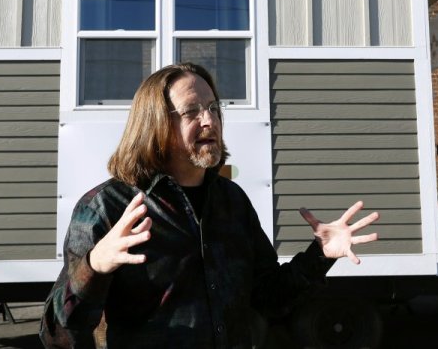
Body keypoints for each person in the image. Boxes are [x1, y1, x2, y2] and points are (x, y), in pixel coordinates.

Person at [40, 63, 379, 348]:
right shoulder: (107, 207)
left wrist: (319, 255)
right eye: (192, 111)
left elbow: (268, 299)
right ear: (154, 123)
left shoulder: (232, 201)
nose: (209, 120)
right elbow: (56, 334)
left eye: (214, 108)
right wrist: (94, 266)